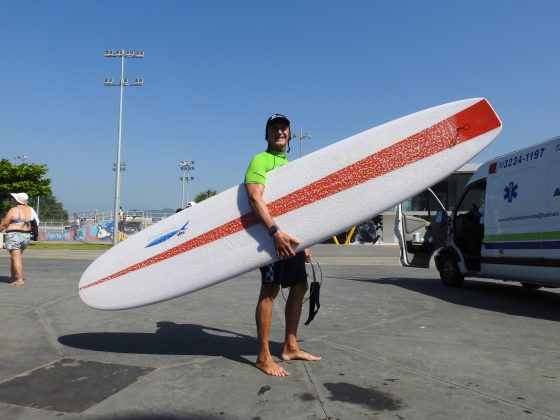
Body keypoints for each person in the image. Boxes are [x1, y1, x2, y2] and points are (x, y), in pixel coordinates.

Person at [245, 113, 321, 377]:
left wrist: (305, 241)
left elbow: (293, 207)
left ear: (290, 135)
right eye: (274, 128)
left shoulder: (288, 163)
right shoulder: (260, 160)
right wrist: (275, 232)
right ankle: (263, 357)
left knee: (300, 285)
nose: (280, 132)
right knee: (270, 290)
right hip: (271, 240)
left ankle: (290, 345)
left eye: (284, 128)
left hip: (291, 239)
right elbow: (255, 198)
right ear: (266, 134)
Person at [0, 193, 34, 286]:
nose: (12, 200)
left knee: (16, 258)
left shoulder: (14, 210)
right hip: (26, 235)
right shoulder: (29, 210)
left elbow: (4, 224)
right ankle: (13, 277)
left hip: (15, 235)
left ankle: (19, 279)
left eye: (13, 198)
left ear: (17, 200)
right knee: (15, 258)